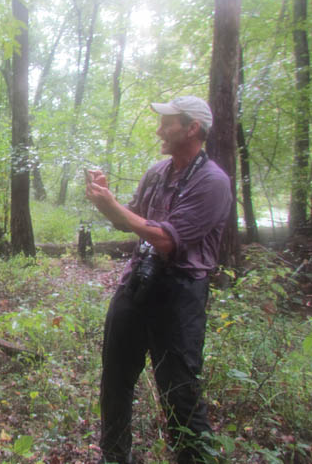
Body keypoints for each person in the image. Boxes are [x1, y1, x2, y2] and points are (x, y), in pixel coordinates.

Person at [85, 96, 232, 463]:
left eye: (167, 122)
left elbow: (167, 238)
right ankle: (114, 456)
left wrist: (116, 209)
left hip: (180, 295)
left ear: (191, 128)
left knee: (179, 391)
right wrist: (109, 201)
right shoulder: (157, 172)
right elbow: (133, 222)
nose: (159, 129)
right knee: (115, 379)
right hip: (138, 283)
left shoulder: (213, 182)